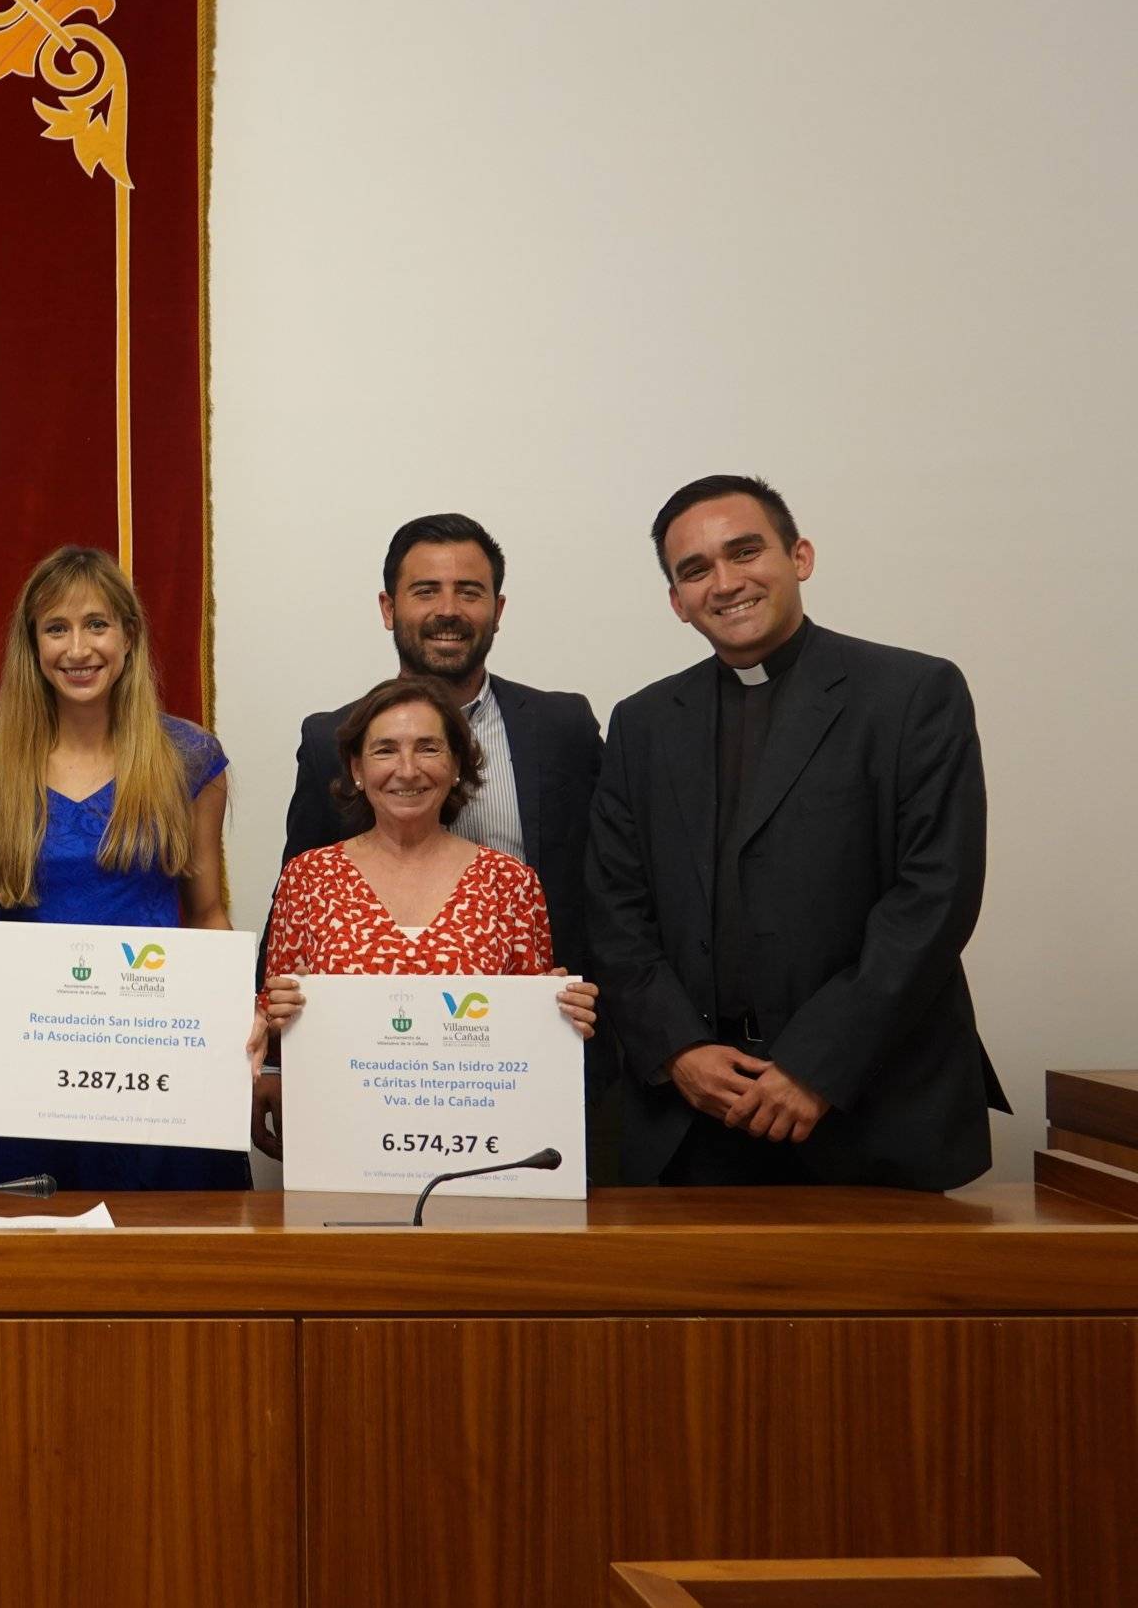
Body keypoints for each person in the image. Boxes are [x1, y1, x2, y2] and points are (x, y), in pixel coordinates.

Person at [584, 475, 1004, 1189]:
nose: (725, 582)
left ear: (799, 556)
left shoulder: (912, 695)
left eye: (745, 551)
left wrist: (818, 1062)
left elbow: (934, 896)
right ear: (677, 603)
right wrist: (680, 1049)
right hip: (693, 1124)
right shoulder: (643, 722)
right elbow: (614, 907)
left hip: (869, 1109)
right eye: (695, 570)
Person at [258, 514, 605, 1166]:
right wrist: (273, 1062)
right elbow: (288, 937)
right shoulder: (328, 743)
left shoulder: (565, 729)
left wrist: (556, 1011)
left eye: (469, 590)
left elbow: (604, 892)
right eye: (426, 590)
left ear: (498, 608)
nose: (448, 609)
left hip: (499, 1102)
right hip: (351, 1110)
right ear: (389, 607)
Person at [0, 546, 245, 1189]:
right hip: (32, 1068)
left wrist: (234, 1017)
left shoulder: (188, 757)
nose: (77, 648)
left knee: (173, 1260)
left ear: (130, 636)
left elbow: (206, 913)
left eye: (97, 624)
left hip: (162, 1058)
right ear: (33, 644)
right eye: (56, 628)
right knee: (36, 1265)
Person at [261, 676, 598, 1069]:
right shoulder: (308, 878)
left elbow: (528, 1038)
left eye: (428, 748)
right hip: (341, 1120)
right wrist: (274, 1016)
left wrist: (559, 1012)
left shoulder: (511, 883)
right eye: (385, 750)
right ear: (357, 768)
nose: (407, 770)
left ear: (456, 764)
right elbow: (271, 1015)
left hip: (474, 1120)